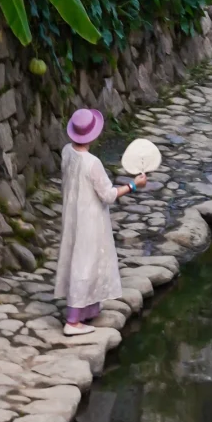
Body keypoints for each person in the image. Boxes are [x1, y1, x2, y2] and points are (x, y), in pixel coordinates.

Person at [54, 108, 147, 336]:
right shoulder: (92, 163)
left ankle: (88, 309)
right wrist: (134, 185)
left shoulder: (67, 152)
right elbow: (108, 195)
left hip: (73, 215)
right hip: (90, 219)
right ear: (92, 135)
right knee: (85, 263)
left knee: (77, 257)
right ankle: (73, 321)